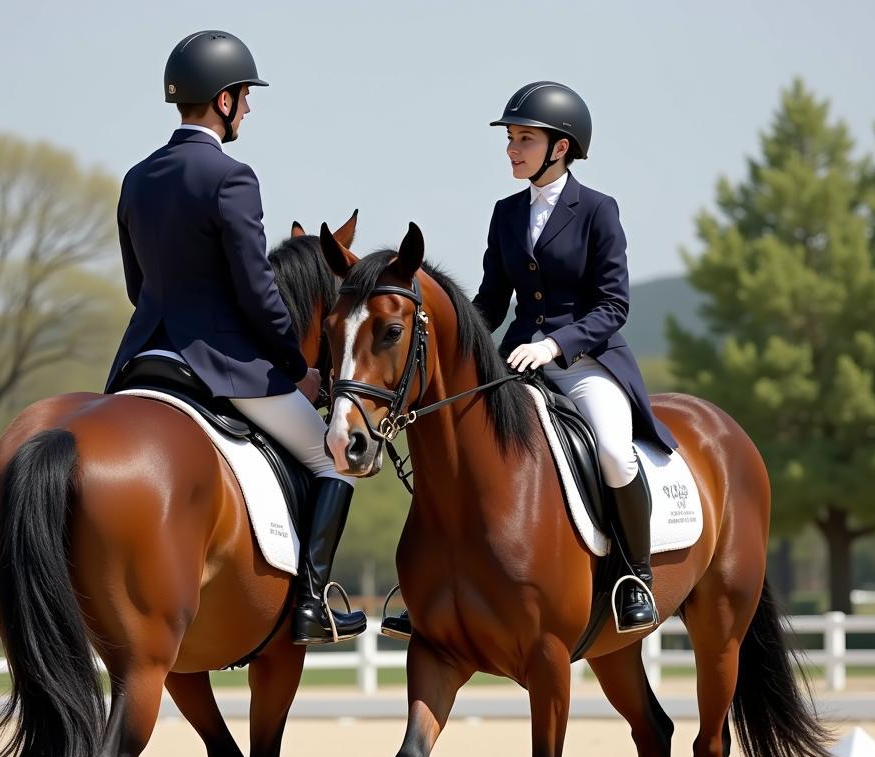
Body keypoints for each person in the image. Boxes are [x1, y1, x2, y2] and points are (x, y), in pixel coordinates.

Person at [383, 82, 678, 641]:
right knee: (450, 442)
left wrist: (556, 344)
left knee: (614, 452)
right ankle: (429, 578)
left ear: (559, 148)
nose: (512, 150)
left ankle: (634, 577)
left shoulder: (597, 210)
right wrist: (457, 339)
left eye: (523, 139)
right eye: (511, 139)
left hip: (586, 362)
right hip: (515, 360)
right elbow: (493, 300)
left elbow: (614, 304)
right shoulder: (505, 213)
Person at [104, 30, 366, 645]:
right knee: (335, 460)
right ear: (223, 101)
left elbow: (136, 285)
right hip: (220, 363)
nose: (248, 108)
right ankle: (314, 601)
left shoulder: (137, 179)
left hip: (142, 361)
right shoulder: (232, 178)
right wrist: (291, 365)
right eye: (244, 97)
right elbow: (257, 292)